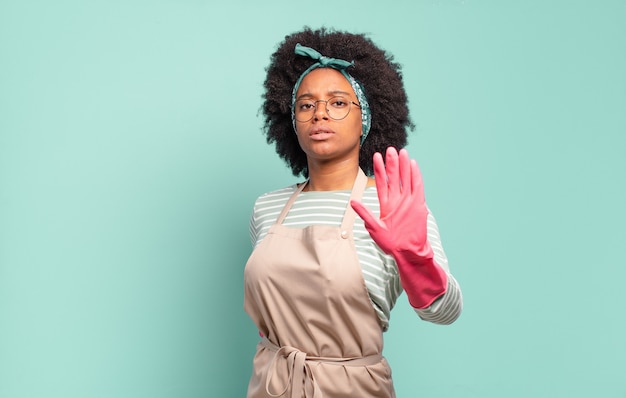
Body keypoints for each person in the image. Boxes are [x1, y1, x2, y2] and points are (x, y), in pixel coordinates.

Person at [243, 27, 463, 398]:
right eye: (306, 104)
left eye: (339, 102)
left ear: (368, 117)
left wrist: (413, 256)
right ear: (291, 119)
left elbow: (445, 313)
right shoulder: (267, 207)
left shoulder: (393, 207)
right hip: (272, 385)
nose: (320, 114)